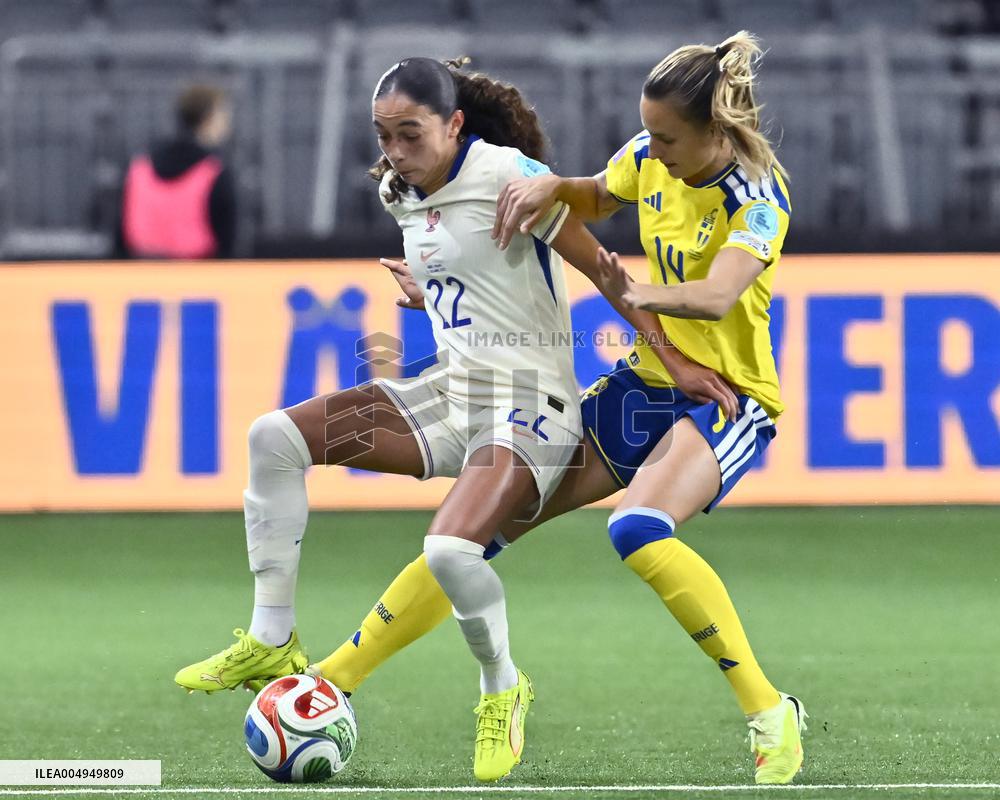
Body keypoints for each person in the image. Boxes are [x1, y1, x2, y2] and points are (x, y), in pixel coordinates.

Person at [174, 57, 733, 783]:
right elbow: (468, 272)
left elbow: (603, 269)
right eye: (384, 136)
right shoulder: (396, 187)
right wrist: (431, 293)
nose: (395, 152)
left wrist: (675, 359)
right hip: (451, 391)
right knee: (273, 439)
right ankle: (272, 639)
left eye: (410, 134)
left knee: (449, 553)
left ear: (454, 124)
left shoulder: (511, 175)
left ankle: (502, 687)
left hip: (533, 403)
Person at [308, 32, 807, 786]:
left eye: (670, 138)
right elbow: (603, 193)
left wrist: (635, 297)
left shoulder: (758, 198)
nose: (656, 150)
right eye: (651, 133)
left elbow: (718, 295)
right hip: (643, 388)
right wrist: (553, 186)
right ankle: (331, 679)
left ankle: (772, 715)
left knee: (638, 528)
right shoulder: (649, 155)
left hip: (728, 398)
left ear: (712, 132)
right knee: (477, 535)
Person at [117, 84, 236, 259]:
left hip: (142, 278)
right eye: (223, 115)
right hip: (199, 279)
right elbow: (227, 245)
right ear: (209, 118)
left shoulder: (140, 168)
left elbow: (120, 235)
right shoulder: (215, 173)